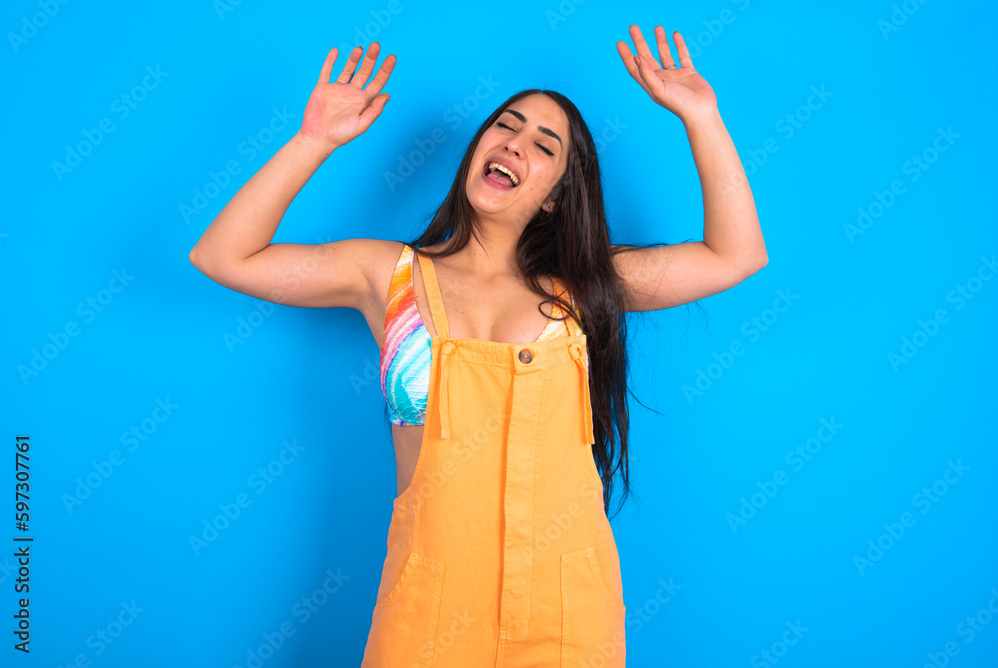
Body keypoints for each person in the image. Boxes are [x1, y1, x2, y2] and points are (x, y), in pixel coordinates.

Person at [190, 24, 766, 667]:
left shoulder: (588, 286)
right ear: (477, 150)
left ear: (555, 198)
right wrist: (313, 140)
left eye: (543, 146)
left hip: (565, 605)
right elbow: (224, 255)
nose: (515, 145)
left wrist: (700, 115)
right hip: (429, 603)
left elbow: (735, 255)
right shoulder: (387, 276)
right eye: (506, 127)